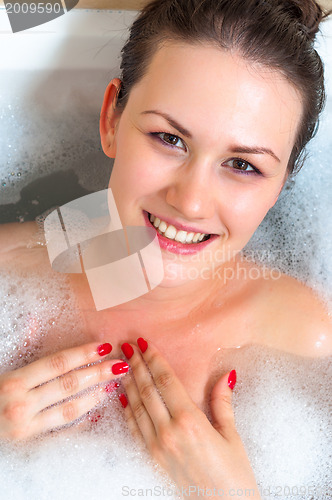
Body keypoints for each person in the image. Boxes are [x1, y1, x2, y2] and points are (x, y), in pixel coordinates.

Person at [0, 0, 331, 497]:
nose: (191, 202)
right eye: (169, 138)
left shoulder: (302, 342)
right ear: (112, 117)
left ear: (282, 183)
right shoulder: (11, 271)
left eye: (243, 165)